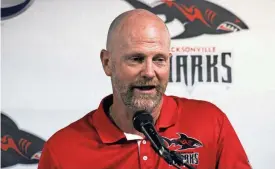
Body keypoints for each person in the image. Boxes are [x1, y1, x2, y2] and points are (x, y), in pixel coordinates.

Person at [38, 9, 252, 169]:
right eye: (136, 59)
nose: (149, 72)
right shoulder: (62, 150)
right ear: (107, 63)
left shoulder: (211, 121)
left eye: (159, 59)